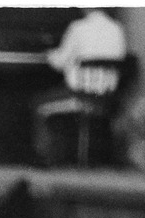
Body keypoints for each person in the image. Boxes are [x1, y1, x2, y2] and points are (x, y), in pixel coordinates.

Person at [33, 9, 129, 166]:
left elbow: (60, 62)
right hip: (107, 98)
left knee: (39, 103)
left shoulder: (78, 28)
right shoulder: (117, 28)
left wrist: (50, 55)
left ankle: (47, 160)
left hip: (80, 98)